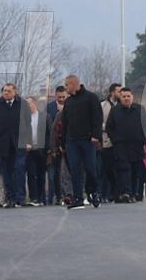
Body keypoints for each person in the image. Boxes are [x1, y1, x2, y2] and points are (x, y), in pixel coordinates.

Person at [59, 75, 102, 210]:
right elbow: (64, 122)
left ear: (73, 84)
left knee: (90, 168)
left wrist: (96, 135)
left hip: (88, 140)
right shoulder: (68, 102)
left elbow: (97, 117)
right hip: (72, 141)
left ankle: (93, 192)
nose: (65, 88)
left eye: (67, 85)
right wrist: (63, 142)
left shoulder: (91, 98)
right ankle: (78, 198)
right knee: (75, 169)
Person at [0, 83, 31, 208]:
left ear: (15, 92)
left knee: (19, 168)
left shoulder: (22, 104)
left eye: (9, 91)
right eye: (4, 91)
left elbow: (27, 124)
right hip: (3, 144)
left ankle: (20, 198)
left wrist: (28, 141)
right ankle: (10, 198)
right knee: (6, 172)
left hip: (19, 143)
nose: (6, 93)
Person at [105, 87, 146, 203]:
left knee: (135, 171)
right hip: (121, 146)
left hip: (137, 146)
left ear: (132, 97)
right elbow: (109, 127)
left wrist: (143, 140)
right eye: (124, 96)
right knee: (124, 169)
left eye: (128, 96)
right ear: (120, 98)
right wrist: (115, 140)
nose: (126, 98)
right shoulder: (115, 110)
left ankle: (133, 193)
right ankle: (125, 193)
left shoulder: (139, 109)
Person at [22, 96, 50, 206]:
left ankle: (42, 197)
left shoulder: (45, 116)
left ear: (35, 104)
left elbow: (49, 133)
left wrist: (49, 149)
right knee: (31, 174)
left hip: (41, 150)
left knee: (41, 174)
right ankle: (33, 198)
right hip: (29, 151)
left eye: (28, 104)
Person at [99, 83, 121, 203]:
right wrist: (108, 127)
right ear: (112, 92)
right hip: (106, 141)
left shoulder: (121, 105)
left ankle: (116, 193)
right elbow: (98, 122)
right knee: (105, 168)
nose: (121, 94)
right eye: (118, 91)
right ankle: (103, 193)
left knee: (118, 168)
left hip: (119, 142)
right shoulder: (103, 105)